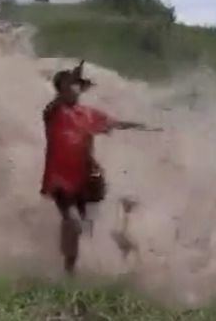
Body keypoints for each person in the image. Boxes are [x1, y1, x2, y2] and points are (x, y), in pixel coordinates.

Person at [41, 61, 157, 274]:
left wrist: (141, 126)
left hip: (85, 176)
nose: (74, 88)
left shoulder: (88, 113)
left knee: (85, 226)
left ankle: (77, 266)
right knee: (73, 222)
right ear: (61, 89)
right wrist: (69, 78)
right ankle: (69, 272)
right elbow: (55, 104)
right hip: (59, 178)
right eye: (70, 85)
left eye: (77, 85)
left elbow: (114, 123)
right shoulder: (54, 112)